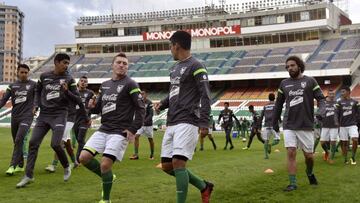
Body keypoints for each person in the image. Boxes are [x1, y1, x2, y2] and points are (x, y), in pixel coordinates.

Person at [154, 31, 213, 203]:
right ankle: (204, 186)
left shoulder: (197, 66)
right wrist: (162, 104)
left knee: (179, 164)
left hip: (188, 120)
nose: (170, 50)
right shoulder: (174, 68)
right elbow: (174, 93)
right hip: (172, 120)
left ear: (176, 45)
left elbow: (205, 95)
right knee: (167, 166)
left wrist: (204, 123)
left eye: (170, 46)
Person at [79, 52, 145, 203]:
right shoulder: (105, 85)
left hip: (119, 132)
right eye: (119, 62)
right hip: (104, 129)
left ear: (127, 67)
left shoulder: (131, 84)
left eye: (125, 63)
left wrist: (133, 129)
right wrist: (91, 107)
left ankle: (106, 200)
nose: (122, 65)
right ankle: (108, 177)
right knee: (83, 158)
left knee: (105, 164)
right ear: (113, 65)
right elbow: (99, 108)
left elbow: (140, 109)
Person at [16, 53, 88, 188]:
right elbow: (38, 91)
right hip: (44, 115)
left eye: (68, 63)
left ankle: (67, 166)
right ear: (56, 62)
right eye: (64, 63)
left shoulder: (69, 79)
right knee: (33, 143)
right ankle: (28, 176)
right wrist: (36, 104)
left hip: (60, 115)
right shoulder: (44, 76)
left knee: (55, 144)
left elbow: (78, 99)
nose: (66, 65)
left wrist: (67, 92)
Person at [272, 55, 325, 192]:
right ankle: (292, 183)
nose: (290, 68)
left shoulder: (310, 81)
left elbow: (321, 99)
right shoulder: (284, 84)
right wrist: (274, 121)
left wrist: (321, 112)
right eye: (288, 66)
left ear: (299, 66)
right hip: (289, 124)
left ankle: (309, 172)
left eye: (292, 65)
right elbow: (278, 104)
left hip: (306, 124)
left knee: (309, 156)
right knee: (291, 152)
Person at [0, 64, 37, 175]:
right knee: (17, 141)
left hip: (27, 117)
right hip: (15, 117)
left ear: (28, 73)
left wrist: (35, 106)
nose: (24, 74)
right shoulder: (12, 86)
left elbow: (37, 98)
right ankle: (20, 165)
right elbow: (3, 100)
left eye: (26, 72)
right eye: (22, 72)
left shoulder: (33, 85)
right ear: (17, 72)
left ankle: (12, 166)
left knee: (19, 139)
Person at [45, 92, 78, 172]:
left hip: (70, 119)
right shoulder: (60, 93)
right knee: (67, 144)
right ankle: (75, 162)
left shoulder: (73, 94)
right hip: (62, 119)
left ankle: (54, 165)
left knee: (59, 141)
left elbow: (79, 104)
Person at [73, 76, 94, 165]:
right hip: (75, 119)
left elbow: (93, 106)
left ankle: (78, 160)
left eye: (85, 81)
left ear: (87, 83)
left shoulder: (90, 93)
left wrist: (89, 115)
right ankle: (88, 152)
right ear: (78, 82)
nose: (83, 82)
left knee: (81, 139)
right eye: (81, 81)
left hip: (85, 119)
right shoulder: (74, 92)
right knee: (79, 140)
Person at [336, 86, 359, 165]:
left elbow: (358, 113)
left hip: (352, 125)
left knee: (355, 140)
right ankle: (345, 159)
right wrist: (336, 122)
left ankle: (353, 157)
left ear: (349, 92)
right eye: (341, 92)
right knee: (344, 143)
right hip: (342, 125)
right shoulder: (339, 103)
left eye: (343, 92)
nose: (342, 93)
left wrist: (356, 121)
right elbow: (336, 113)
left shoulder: (355, 102)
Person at [130, 90, 155, 160]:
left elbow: (151, 114)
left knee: (150, 139)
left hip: (148, 125)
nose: (141, 95)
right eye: (140, 94)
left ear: (146, 95)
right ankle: (136, 155)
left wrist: (144, 121)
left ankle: (152, 154)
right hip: (140, 125)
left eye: (143, 94)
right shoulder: (138, 102)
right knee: (136, 137)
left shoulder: (149, 103)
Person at [259, 93, 281, 159]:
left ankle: (266, 156)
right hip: (274, 124)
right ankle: (270, 145)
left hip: (266, 125)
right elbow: (278, 113)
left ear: (268, 98)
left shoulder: (265, 106)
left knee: (266, 140)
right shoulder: (276, 105)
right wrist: (280, 121)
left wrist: (259, 125)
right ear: (274, 98)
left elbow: (261, 116)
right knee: (277, 140)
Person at [319, 90, 339, 163]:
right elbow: (320, 113)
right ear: (327, 94)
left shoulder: (337, 103)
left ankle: (331, 158)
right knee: (322, 142)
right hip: (325, 125)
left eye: (333, 94)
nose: (332, 95)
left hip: (334, 126)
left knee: (333, 142)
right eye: (330, 94)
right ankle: (327, 152)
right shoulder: (323, 103)